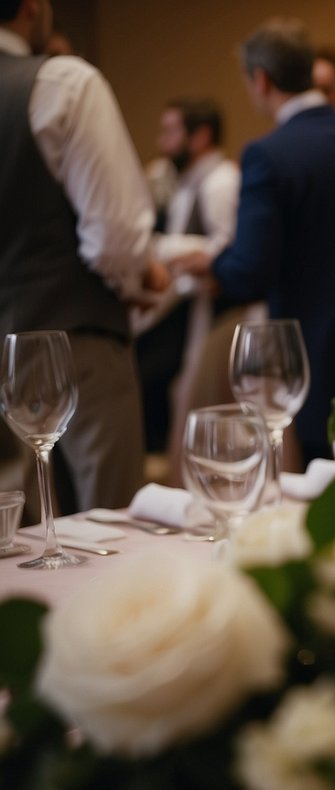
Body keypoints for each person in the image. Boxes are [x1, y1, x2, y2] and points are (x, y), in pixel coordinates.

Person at [173, 18, 335, 463]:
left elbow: (250, 272)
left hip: (310, 355)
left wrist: (213, 265)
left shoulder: (268, 153)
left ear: (261, 79)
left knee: (322, 492)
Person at [0, 0, 166, 515]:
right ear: (33, 7)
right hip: (72, 336)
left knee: (16, 535)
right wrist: (141, 277)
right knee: (110, 520)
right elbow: (115, 236)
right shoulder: (62, 84)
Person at [136, 96, 241, 455]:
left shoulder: (221, 182)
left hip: (215, 315)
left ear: (200, 136)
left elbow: (229, 251)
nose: (162, 142)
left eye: (171, 131)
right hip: (185, 310)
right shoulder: (187, 184)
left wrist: (175, 253)